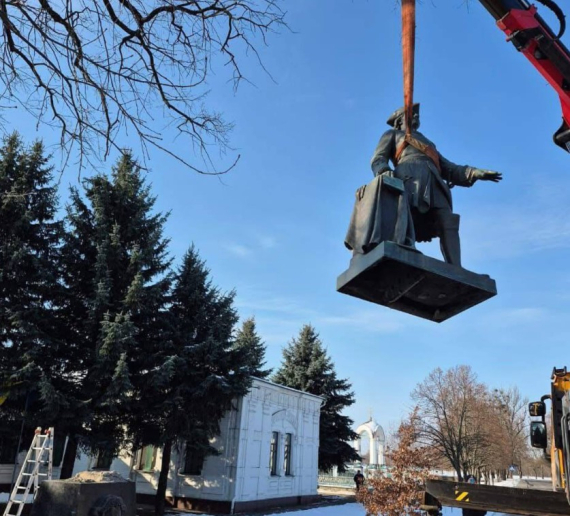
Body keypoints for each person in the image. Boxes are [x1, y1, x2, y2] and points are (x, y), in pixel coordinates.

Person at [364, 104, 502, 267]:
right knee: (406, 219)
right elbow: (378, 158)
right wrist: (384, 170)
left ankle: (455, 267)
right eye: (411, 115)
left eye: (417, 115)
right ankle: (405, 252)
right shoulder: (392, 135)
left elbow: (448, 168)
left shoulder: (429, 144)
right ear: (400, 120)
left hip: (434, 183)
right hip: (408, 180)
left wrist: (474, 173)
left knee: (447, 220)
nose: (416, 117)